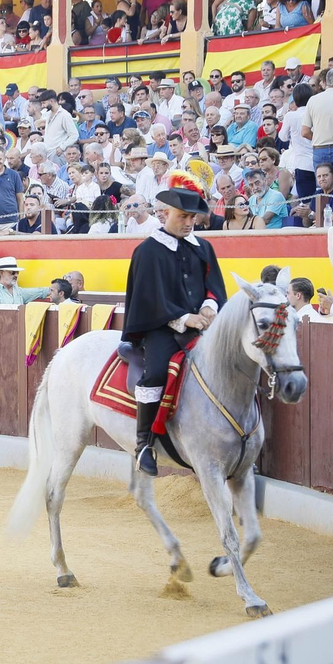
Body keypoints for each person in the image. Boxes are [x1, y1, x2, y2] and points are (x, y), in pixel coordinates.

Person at [120, 172, 227, 476]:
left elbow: (214, 286)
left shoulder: (202, 247)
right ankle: (143, 445)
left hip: (202, 325)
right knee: (154, 373)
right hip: (160, 327)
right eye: (183, 216)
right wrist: (183, 318)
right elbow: (149, 297)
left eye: (192, 217)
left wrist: (209, 307)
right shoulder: (148, 251)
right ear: (165, 213)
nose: (189, 222)